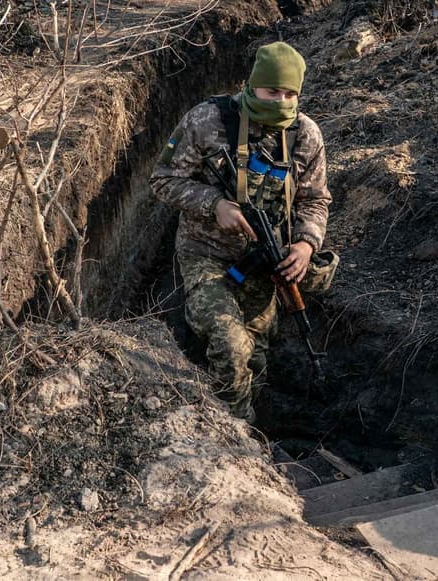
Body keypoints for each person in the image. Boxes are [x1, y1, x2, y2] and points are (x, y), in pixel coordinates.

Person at [150, 42, 331, 421]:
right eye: (271, 92)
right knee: (230, 344)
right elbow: (163, 180)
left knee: (256, 355)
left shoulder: (306, 136)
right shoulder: (206, 120)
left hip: (266, 261)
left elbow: (315, 200)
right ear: (252, 86)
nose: (279, 101)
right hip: (205, 253)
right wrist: (214, 205)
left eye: (288, 94)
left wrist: (305, 244)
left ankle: (242, 423)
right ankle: (236, 433)